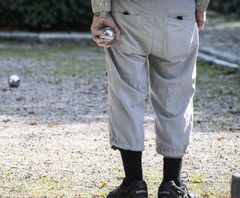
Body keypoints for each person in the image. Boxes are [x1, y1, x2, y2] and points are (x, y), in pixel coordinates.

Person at [90, 0, 210, 197]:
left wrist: (101, 12)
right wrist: (201, 8)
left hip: (129, 14)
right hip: (178, 11)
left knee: (126, 95)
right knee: (177, 96)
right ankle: (173, 183)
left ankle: (133, 183)